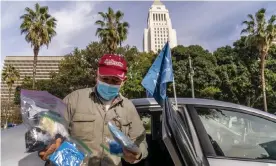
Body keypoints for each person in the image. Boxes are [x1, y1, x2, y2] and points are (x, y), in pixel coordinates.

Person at [40, 54, 148, 166]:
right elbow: (49, 132)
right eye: (105, 79)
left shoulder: (128, 108)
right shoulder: (74, 99)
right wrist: (49, 144)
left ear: (123, 80)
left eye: (115, 81)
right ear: (97, 74)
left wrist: (138, 154)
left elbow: (141, 142)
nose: (108, 84)